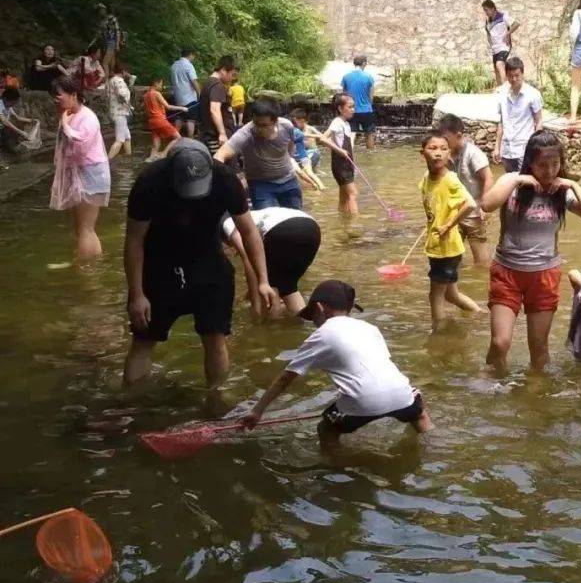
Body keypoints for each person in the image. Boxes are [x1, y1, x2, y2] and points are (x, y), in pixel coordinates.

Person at [123, 140, 272, 387]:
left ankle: (216, 398)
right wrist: (137, 294)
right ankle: (130, 405)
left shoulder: (225, 179)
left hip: (208, 261)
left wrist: (263, 280)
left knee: (215, 337)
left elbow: (249, 231)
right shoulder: (150, 182)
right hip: (159, 265)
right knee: (144, 339)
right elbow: (134, 239)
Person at [241, 279, 432, 445]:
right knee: (420, 414)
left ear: (319, 308)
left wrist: (257, 411)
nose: (314, 322)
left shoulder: (321, 335)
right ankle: (430, 445)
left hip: (361, 403)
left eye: (312, 316)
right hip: (402, 394)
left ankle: (340, 467)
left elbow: (285, 379)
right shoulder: (369, 327)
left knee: (326, 429)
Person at [480, 129, 581, 373]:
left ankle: (535, 396)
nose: (549, 171)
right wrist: (517, 179)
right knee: (500, 342)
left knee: (539, 346)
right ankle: (494, 383)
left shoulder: (561, 192)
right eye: (542, 165)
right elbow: (487, 204)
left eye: (555, 164)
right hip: (507, 272)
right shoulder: (511, 183)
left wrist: (573, 185)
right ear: (530, 163)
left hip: (544, 274)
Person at [419, 130, 480, 331]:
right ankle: (480, 316)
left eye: (444, 149)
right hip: (439, 246)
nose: (438, 153)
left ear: (449, 155)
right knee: (450, 294)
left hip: (447, 249)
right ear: (422, 153)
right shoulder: (428, 177)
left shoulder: (450, 179)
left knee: (434, 295)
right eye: (433, 148)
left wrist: (448, 225)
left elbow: (470, 204)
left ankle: (438, 335)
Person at [50, 74, 111, 259]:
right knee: (82, 227)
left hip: (91, 173)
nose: (56, 99)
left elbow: (81, 146)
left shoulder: (88, 118)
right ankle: (90, 264)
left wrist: (66, 126)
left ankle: (85, 269)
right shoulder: (71, 115)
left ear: (73, 94)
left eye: (59, 95)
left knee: (86, 228)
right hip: (82, 174)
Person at [221, 205, 321, 317]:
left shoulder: (227, 223)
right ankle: (301, 322)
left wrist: (256, 305)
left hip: (283, 229)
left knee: (269, 285)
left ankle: (270, 327)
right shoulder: (252, 215)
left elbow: (249, 261)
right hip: (312, 229)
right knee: (288, 286)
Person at [215, 97, 303, 210]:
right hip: (261, 185)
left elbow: (291, 147)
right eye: (256, 124)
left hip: (289, 180)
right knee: (265, 223)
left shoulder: (286, 126)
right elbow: (220, 155)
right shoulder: (246, 133)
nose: (259, 129)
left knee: (295, 219)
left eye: (264, 125)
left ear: (275, 121)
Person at [436, 112, 493, 267]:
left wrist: (486, 208)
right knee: (450, 260)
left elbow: (488, 178)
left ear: (459, 135)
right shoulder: (446, 154)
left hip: (474, 213)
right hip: (454, 213)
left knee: (481, 262)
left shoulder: (473, 154)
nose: (443, 143)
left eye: (446, 139)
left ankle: (480, 286)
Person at [493, 57, 542, 174]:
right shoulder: (502, 93)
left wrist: (535, 146)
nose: (514, 79)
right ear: (506, 74)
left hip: (524, 149)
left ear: (522, 74)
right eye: (510, 76)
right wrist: (497, 147)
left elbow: (539, 121)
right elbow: (501, 122)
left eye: (517, 75)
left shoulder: (533, 94)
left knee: (525, 183)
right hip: (507, 150)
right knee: (510, 183)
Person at [315, 92, 358, 215]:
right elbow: (322, 139)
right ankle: (354, 225)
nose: (353, 110)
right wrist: (339, 150)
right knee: (353, 193)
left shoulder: (346, 123)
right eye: (350, 107)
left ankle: (343, 223)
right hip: (341, 165)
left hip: (347, 164)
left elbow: (347, 145)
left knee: (344, 198)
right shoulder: (337, 122)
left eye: (353, 107)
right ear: (340, 108)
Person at [196, 55, 240, 152]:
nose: (232, 78)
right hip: (216, 136)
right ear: (223, 70)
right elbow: (214, 110)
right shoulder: (217, 85)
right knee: (223, 164)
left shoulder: (208, 82)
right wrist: (222, 133)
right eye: (231, 74)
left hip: (208, 133)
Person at [341, 55, 377, 151]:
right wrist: (369, 105)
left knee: (351, 133)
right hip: (366, 110)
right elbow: (371, 97)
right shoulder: (369, 77)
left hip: (351, 110)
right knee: (369, 134)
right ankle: (370, 155)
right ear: (364, 63)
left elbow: (344, 96)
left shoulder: (346, 77)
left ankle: (349, 155)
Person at [143, 75, 184, 158]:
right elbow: (168, 107)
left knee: (156, 142)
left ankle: (151, 157)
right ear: (155, 83)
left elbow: (146, 110)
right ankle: (164, 153)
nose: (162, 86)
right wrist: (182, 108)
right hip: (160, 120)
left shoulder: (145, 95)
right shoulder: (156, 94)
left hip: (152, 121)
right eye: (161, 84)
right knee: (178, 138)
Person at [483, 0, 519, 86]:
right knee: (497, 71)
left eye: (487, 10)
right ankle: (500, 90)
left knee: (500, 64)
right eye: (484, 10)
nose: (486, 12)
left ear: (492, 8)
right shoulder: (488, 21)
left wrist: (508, 33)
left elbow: (516, 23)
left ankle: (505, 90)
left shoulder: (503, 17)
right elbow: (488, 33)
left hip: (503, 47)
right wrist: (491, 44)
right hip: (495, 49)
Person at [288, 104, 324, 190]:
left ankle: (318, 186)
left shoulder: (309, 128)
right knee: (309, 172)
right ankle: (316, 185)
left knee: (308, 172)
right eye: (293, 122)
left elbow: (322, 136)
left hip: (311, 153)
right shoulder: (294, 130)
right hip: (302, 155)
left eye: (295, 122)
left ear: (303, 120)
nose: (294, 124)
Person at [105, 62, 134, 161]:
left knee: (127, 137)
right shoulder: (119, 81)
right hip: (120, 113)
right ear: (123, 72)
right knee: (120, 139)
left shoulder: (110, 80)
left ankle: (128, 157)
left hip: (114, 111)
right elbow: (122, 94)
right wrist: (128, 103)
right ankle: (107, 161)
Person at [169, 48, 200, 136]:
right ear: (190, 54)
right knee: (191, 120)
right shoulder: (188, 65)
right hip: (190, 99)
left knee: (179, 118)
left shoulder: (174, 65)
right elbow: (194, 81)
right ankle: (190, 140)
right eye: (194, 56)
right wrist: (200, 94)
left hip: (178, 99)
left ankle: (175, 139)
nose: (194, 58)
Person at [0, 87, 37, 152]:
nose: (13, 105)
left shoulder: (9, 106)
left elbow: (17, 117)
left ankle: (5, 148)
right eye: (12, 103)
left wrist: (31, 120)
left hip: (2, 129)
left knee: (10, 131)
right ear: (5, 99)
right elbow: (4, 121)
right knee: (10, 129)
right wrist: (21, 132)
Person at [97, 5, 123, 78]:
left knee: (105, 63)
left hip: (111, 42)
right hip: (105, 42)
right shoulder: (103, 20)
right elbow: (101, 32)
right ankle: (112, 77)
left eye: (101, 10)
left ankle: (106, 82)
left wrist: (117, 44)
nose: (100, 12)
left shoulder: (112, 19)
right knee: (111, 61)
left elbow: (117, 31)